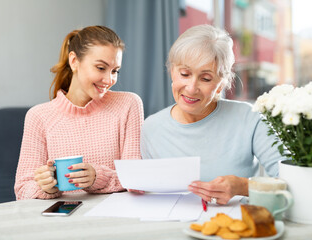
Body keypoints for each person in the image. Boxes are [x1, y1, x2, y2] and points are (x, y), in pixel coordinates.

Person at [140, 25, 286, 204]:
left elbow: (290, 181)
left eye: (206, 79)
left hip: (237, 226)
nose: (192, 88)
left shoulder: (250, 118)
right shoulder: (151, 128)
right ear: (172, 71)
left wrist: (243, 186)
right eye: (185, 74)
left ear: (222, 83)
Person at [15, 26, 144, 200]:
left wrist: (97, 178)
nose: (109, 80)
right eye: (100, 68)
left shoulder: (128, 104)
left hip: (114, 217)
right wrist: (46, 187)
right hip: (63, 219)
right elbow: (22, 189)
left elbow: (136, 178)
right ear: (74, 61)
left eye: (115, 71)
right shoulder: (39, 116)